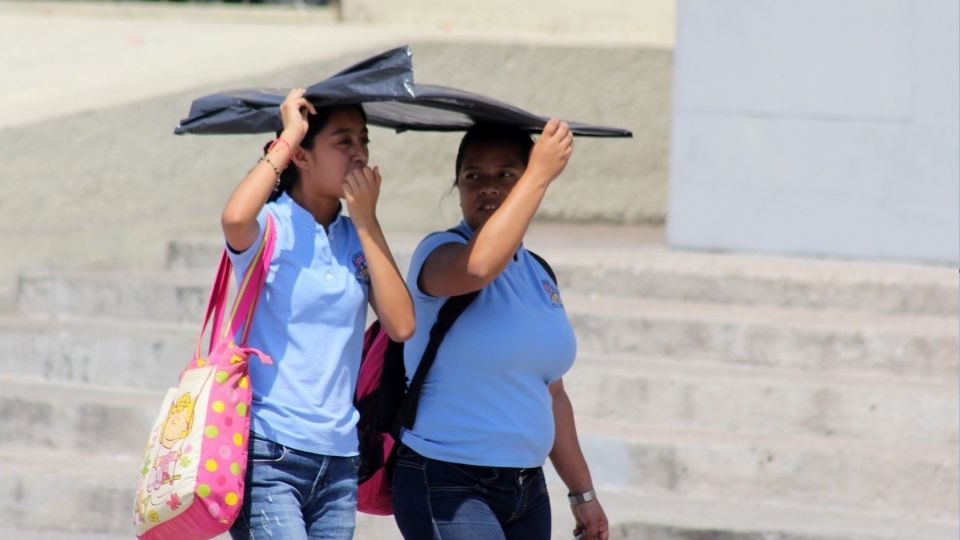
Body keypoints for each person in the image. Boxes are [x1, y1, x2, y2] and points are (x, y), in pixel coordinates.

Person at [391, 120, 609, 540]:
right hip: (446, 480)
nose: (488, 187)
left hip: (526, 487)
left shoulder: (537, 272)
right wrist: (539, 176)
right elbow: (478, 267)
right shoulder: (438, 253)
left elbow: (552, 394)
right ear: (457, 187)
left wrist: (583, 493)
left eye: (505, 175)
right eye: (474, 176)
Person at [222, 88, 415, 539]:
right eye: (343, 142)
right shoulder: (273, 224)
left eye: (364, 141)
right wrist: (289, 134)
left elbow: (402, 324)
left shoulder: (355, 235)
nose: (360, 154)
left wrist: (367, 220)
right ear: (303, 158)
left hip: (340, 460)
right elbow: (234, 219)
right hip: (269, 451)